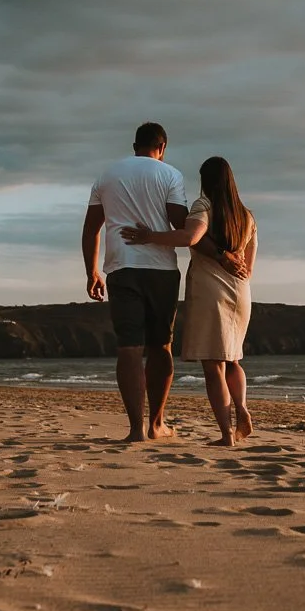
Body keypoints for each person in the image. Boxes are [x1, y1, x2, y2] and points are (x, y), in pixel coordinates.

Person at [122, 156, 257, 446]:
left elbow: (189, 237)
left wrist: (149, 236)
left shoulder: (203, 206)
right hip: (241, 294)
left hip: (212, 292)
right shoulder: (247, 216)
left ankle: (225, 435)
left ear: (206, 181)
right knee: (233, 358)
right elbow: (248, 267)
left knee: (213, 366)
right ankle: (242, 409)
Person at [81, 122, 189, 442]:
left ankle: (135, 430)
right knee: (161, 346)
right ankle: (157, 424)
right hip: (161, 269)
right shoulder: (170, 174)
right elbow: (180, 223)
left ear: (135, 146)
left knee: (129, 348)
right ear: (162, 147)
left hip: (121, 268)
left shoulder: (107, 175)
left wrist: (92, 273)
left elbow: (91, 230)